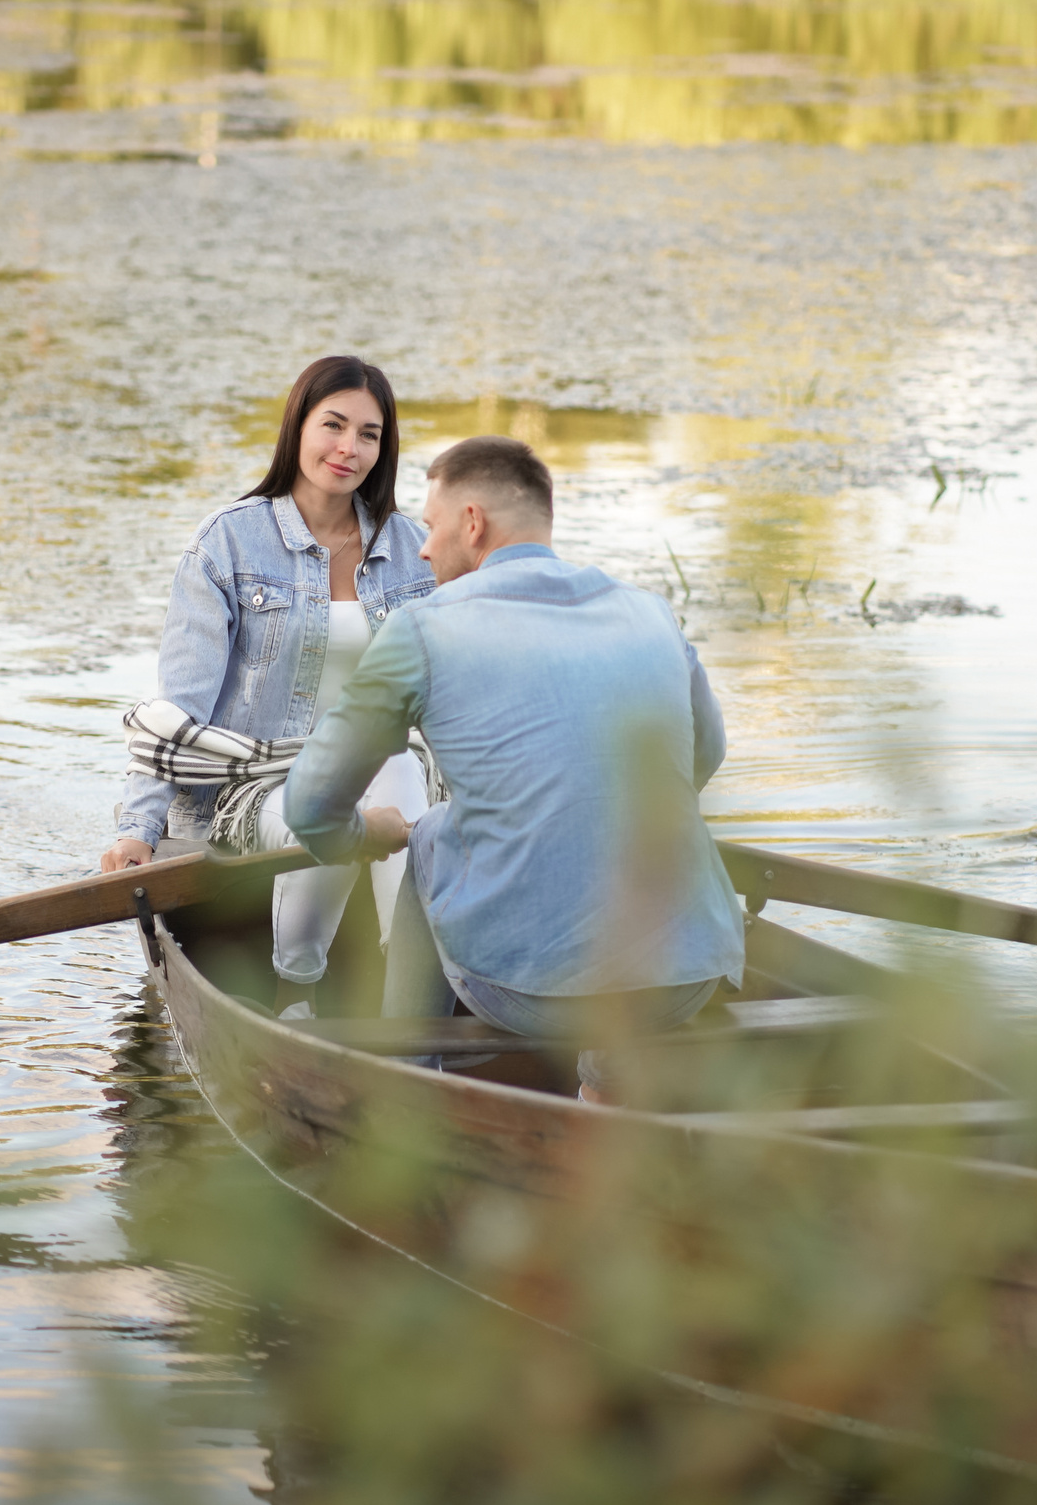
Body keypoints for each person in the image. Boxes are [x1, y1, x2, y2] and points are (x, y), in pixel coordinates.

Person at [280, 435, 743, 1087]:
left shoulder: (423, 628)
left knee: (432, 832)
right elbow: (706, 753)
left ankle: (406, 1086)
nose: (423, 548)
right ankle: (604, 1088)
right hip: (689, 979)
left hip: (527, 994)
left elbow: (309, 806)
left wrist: (361, 835)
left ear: (473, 523)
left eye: (432, 526)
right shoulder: (649, 611)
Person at [101, 356, 439, 1016]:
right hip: (252, 789)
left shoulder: (412, 550)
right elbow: (177, 713)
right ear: (298, 426)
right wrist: (140, 828)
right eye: (333, 425)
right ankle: (297, 994)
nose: (349, 448)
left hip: (384, 774)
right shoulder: (228, 543)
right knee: (329, 798)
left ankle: (409, 996)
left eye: (369, 434)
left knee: (401, 765)